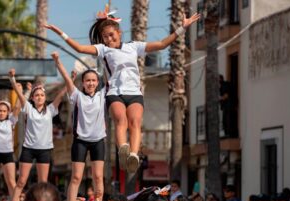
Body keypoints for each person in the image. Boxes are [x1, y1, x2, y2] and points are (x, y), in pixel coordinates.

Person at [45, 7, 200, 173]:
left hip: (134, 93)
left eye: (111, 35)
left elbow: (162, 45)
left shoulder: (134, 46)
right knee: (121, 121)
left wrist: (182, 27)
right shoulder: (103, 50)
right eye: (105, 37)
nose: (109, 39)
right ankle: (122, 149)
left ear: (119, 32)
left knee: (135, 123)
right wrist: (60, 32)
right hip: (115, 93)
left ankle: (133, 155)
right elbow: (79, 49)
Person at [51, 51, 106, 201]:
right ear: (82, 83)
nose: (90, 83)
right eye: (87, 80)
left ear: (97, 82)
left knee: (98, 177)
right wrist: (57, 61)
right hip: (80, 141)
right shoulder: (76, 96)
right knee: (76, 178)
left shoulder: (103, 95)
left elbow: (111, 75)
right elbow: (67, 79)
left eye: (93, 80)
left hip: (98, 141)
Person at [8, 69, 66, 201]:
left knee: (43, 182)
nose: (39, 97)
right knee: (21, 181)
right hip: (28, 148)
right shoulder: (28, 108)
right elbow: (19, 94)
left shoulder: (51, 110)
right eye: (37, 95)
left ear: (45, 97)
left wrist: (69, 79)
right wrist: (12, 79)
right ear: (32, 98)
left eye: (41, 95)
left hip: (44, 150)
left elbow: (61, 94)